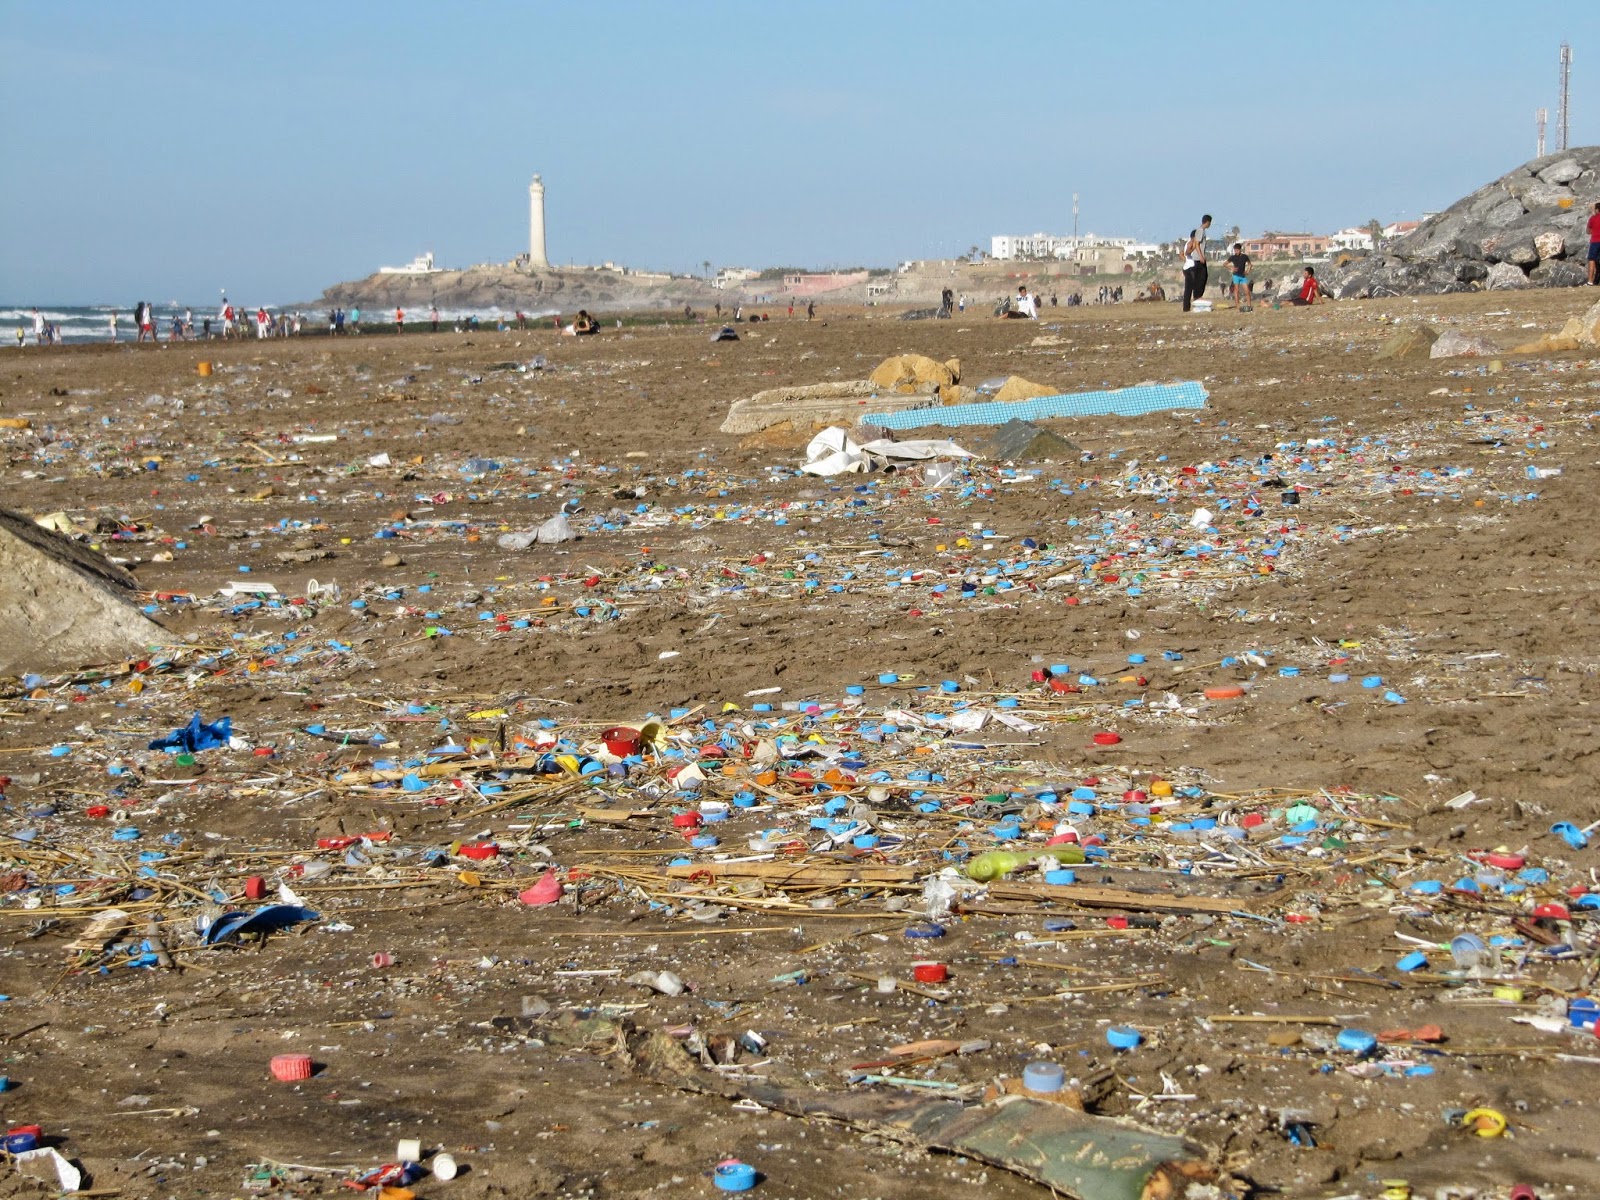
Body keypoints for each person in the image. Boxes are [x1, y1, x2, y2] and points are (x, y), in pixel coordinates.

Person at [1181, 214, 1212, 312]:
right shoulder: (1199, 232)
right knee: (1194, 284)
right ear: (1207, 222)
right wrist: (1201, 255)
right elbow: (1194, 246)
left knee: (1195, 284)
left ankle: (1191, 303)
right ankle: (1195, 299)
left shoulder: (1200, 233)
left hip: (1192, 264)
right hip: (1193, 264)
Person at [1227, 242, 1253, 311]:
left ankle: (1249, 305)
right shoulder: (1232, 257)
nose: (1236, 251)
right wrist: (1231, 268)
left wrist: (1247, 271)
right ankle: (1237, 305)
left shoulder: (1244, 257)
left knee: (1247, 291)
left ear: (1240, 250)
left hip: (1243, 276)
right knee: (1236, 290)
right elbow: (1225, 264)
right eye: (1235, 250)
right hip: (1236, 276)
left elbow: (1250, 264)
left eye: (1237, 250)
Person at [1588, 200, 1600, 286]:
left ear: (1597, 209)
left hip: (1595, 241)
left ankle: (1590, 281)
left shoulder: (1592, 218)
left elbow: (1588, 231)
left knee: (1592, 260)